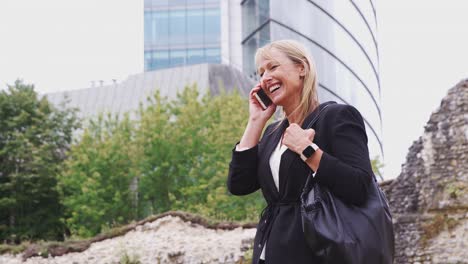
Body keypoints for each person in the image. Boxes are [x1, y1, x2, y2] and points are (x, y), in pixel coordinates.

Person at [227, 39, 374, 264]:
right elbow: (238, 184)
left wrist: (307, 150)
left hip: (318, 253)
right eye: (261, 72)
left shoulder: (336, 117)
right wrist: (256, 121)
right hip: (272, 252)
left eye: (273, 67)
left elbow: (359, 186)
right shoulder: (272, 135)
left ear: (302, 68)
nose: (265, 77)